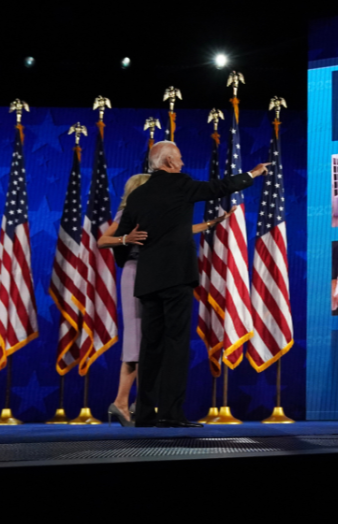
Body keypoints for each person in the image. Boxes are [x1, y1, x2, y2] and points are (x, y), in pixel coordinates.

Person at [114, 141, 269, 429]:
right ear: (170, 162)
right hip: (175, 278)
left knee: (150, 346)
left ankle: (145, 415)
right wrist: (253, 174)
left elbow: (122, 239)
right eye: (181, 159)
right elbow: (218, 188)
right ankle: (171, 415)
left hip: (147, 280)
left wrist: (129, 261)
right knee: (175, 344)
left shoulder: (138, 196)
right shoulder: (181, 184)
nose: (183, 164)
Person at [97, 173, 233, 427]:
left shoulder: (154, 211)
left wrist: (208, 225)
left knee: (151, 340)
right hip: (136, 272)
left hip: (153, 273)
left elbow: (173, 231)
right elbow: (103, 240)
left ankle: (138, 402)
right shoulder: (129, 211)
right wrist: (125, 239)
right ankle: (122, 402)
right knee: (138, 342)